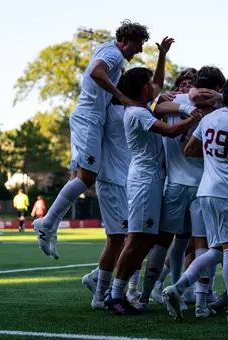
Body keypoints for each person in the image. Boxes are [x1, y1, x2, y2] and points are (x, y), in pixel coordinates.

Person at [32, 20, 150, 260]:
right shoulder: (113, 53)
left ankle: (50, 226)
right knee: (87, 177)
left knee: (79, 176)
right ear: (125, 41)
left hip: (88, 117)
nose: (139, 50)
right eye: (138, 44)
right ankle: (47, 222)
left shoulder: (110, 52)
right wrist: (121, 96)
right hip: (89, 118)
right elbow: (97, 72)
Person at [163, 73, 228, 323]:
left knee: (216, 250)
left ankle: (177, 288)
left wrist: (214, 159)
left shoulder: (208, 119)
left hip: (206, 191)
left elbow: (190, 149)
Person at [81, 36, 174, 310]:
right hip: (114, 179)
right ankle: (106, 293)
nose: (153, 89)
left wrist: (161, 57)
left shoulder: (136, 107)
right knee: (122, 239)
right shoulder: (120, 111)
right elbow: (99, 75)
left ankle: (102, 283)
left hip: (130, 179)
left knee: (132, 239)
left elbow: (154, 86)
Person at [105, 65, 205, 315]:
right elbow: (171, 131)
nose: (155, 86)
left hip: (151, 181)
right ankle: (116, 295)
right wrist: (193, 117)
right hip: (143, 182)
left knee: (146, 240)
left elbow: (160, 102)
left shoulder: (142, 110)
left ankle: (118, 292)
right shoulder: (138, 113)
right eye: (151, 83)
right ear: (143, 88)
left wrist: (162, 60)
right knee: (136, 240)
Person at [139, 66, 226, 318]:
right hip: (203, 185)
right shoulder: (219, 106)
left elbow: (157, 109)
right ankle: (200, 304)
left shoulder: (175, 100)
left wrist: (184, 105)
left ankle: (144, 297)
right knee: (202, 244)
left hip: (175, 184)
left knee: (164, 242)